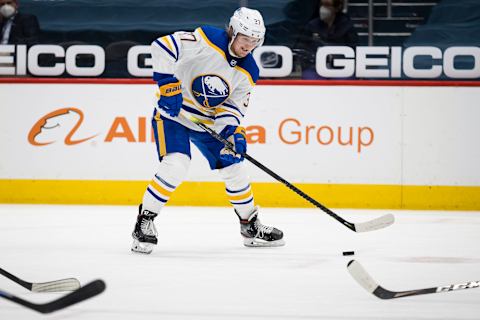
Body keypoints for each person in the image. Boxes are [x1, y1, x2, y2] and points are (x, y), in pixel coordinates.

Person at [131, 7, 285, 254]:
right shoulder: (206, 39)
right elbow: (162, 46)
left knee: (235, 167)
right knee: (176, 164)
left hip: (209, 125)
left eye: (254, 41)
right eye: (245, 39)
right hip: (174, 115)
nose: (249, 46)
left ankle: (250, 226)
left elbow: (232, 107)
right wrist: (167, 85)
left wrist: (231, 135)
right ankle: (144, 222)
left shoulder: (249, 71)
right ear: (233, 32)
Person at [295, 0, 358, 79]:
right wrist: (307, 65)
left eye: (327, 5)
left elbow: (355, 50)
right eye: (321, 5)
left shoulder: (347, 26)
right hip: (315, 69)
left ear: (337, 8)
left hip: (341, 70)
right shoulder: (312, 25)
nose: (323, 8)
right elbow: (301, 47)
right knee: (309, 77)